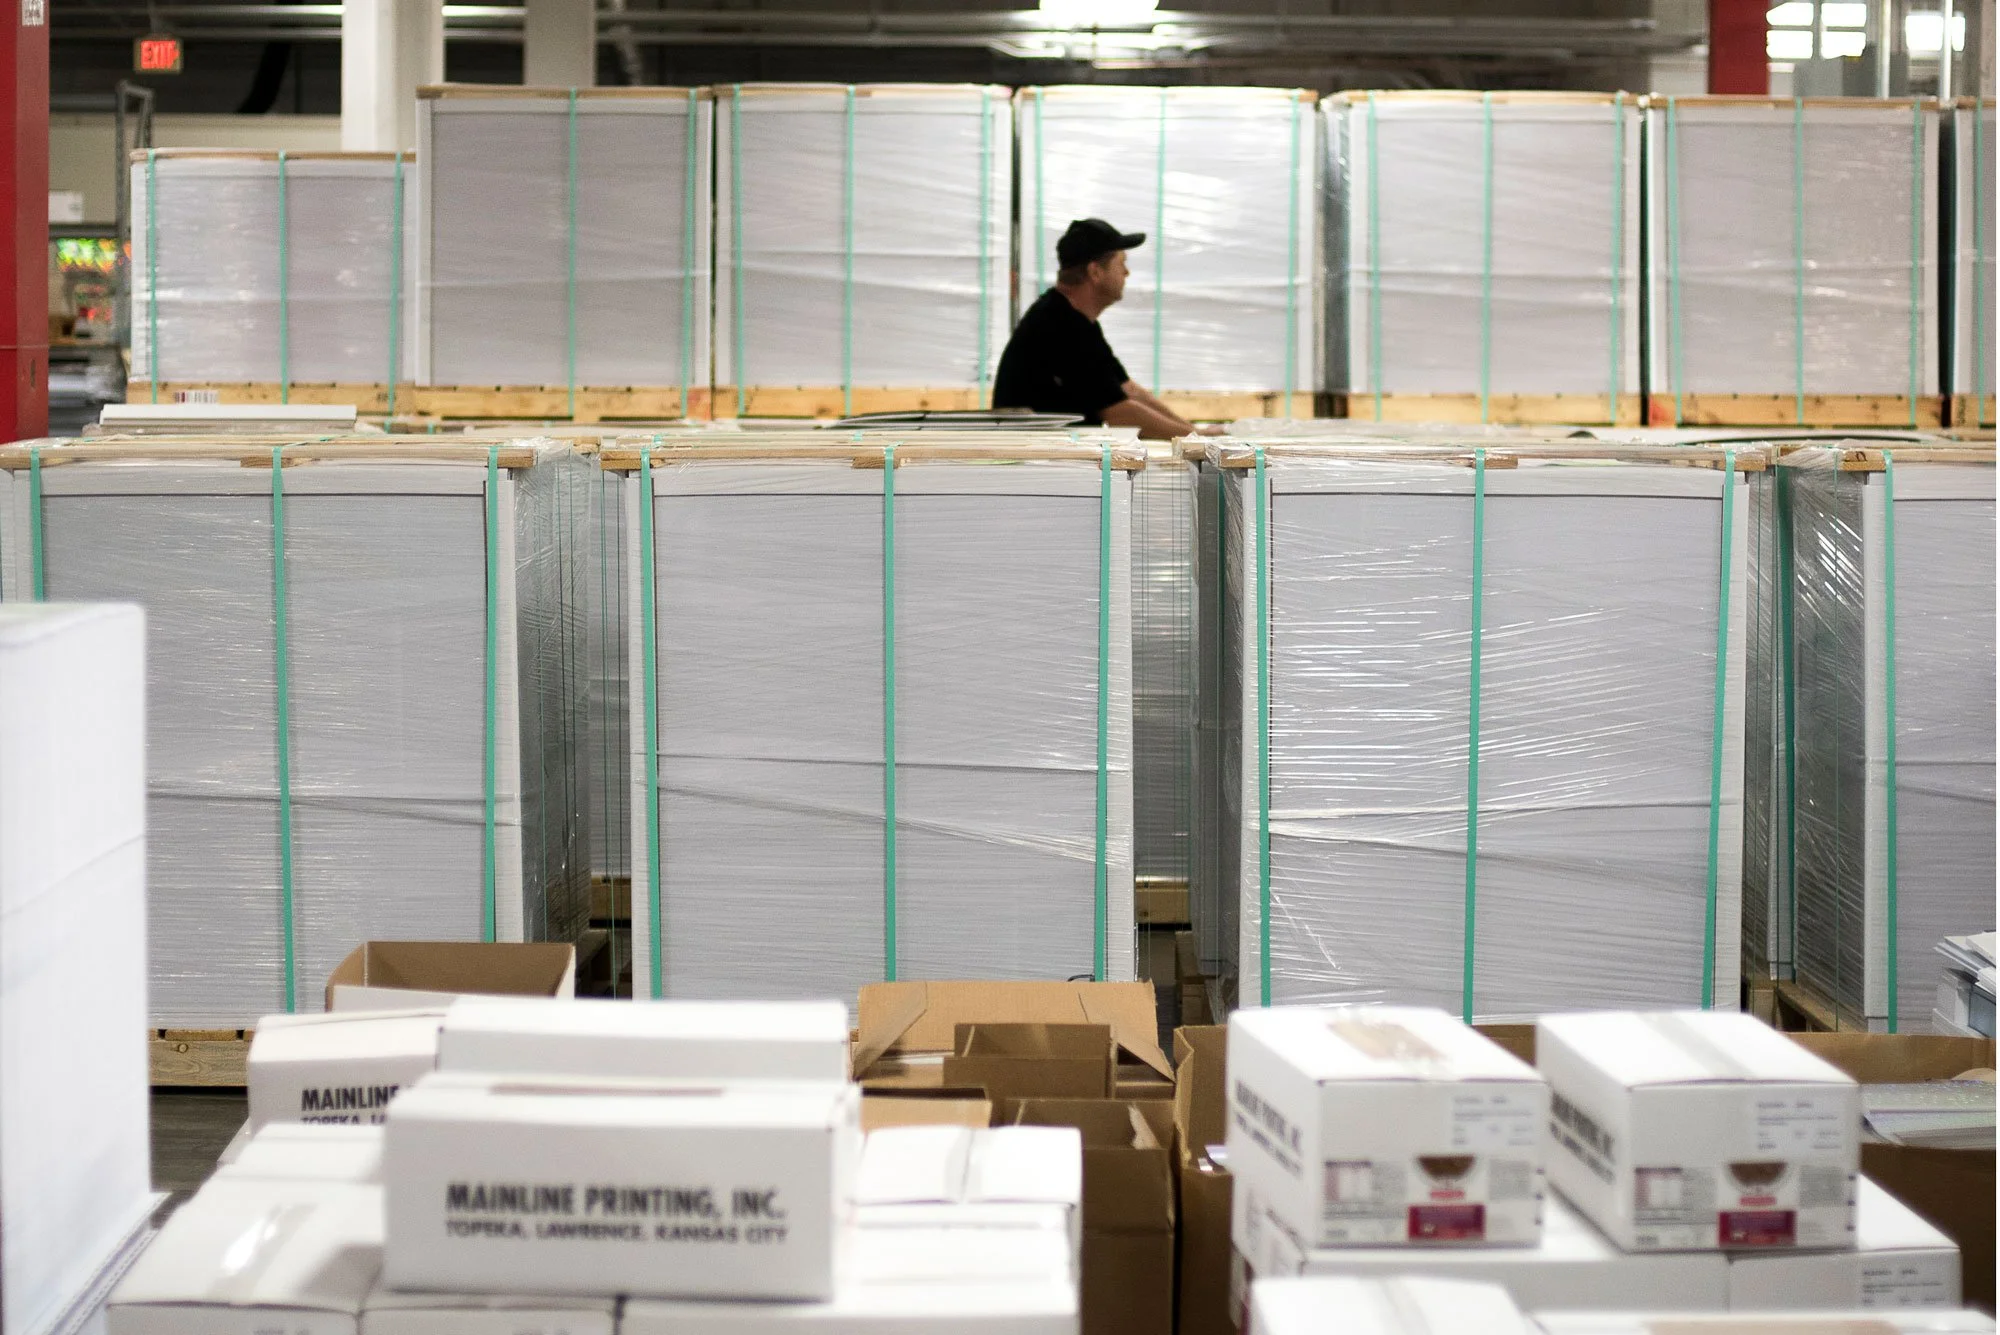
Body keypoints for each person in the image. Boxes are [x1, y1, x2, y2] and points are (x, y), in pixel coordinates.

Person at [992, 218, 1222, 441]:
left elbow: (1128, 390)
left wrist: (1191, 431)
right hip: (1034, 458)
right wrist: (1195, 438)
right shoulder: (1058, 325)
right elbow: (1119, 413)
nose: (1126, 273)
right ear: (1095, 272)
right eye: (1121, 263)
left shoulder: (1076, 320)